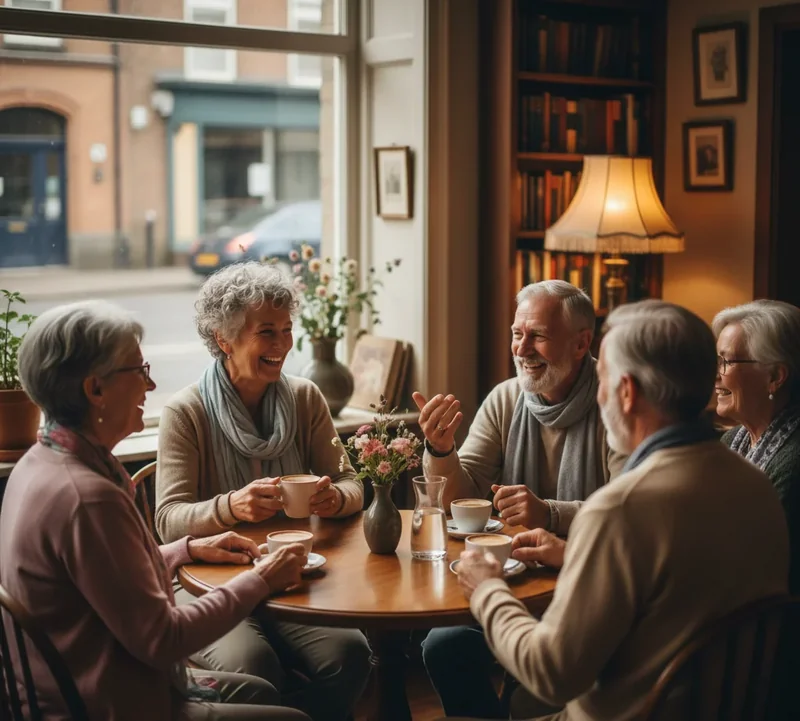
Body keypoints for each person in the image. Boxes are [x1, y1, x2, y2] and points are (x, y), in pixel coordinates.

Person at [452, 300, 789, 721]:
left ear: (626, 393)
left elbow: (552, 673)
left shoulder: (620, 509)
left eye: (602, 380)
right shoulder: (756, 484)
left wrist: (485, 589)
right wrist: (573, 552)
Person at [0, 300, 313, 721]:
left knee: (260, 690)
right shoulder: (87, 498)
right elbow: (165, 639)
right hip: (112, 704)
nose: (150, 387)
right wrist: (261, 579)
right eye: (139, 372)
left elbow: (105, 576)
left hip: (79, 687)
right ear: (95, 390)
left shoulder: (42, 461)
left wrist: (185, 550)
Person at [156, 262, 370, 721]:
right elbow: (167, 519)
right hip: (207, 581)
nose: (282, 345)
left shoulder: (305, 397)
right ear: (224, 338)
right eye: (267, 332)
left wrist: (336, 499)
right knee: (254, 666)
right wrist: (229, 507)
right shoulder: (186, 411)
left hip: (295, 573)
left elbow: (354, 485)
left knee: (351, 654)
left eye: (287, 330)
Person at [414, 280, 624, 718]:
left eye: (539, 336)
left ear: (582, 342)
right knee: (443, 644)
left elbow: (626, 513)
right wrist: (440, 450)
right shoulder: (507, 399)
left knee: (529, 700)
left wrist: (550, 513)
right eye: (516, 333)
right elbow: (464, 497)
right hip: (513, 579)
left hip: (582, 587)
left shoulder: (615, 407)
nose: (522, 348)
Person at [713, 299, 800, 594]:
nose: (716, 374)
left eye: (726, 361)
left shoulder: (794, 462)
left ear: (775, 377)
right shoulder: (730, 440)